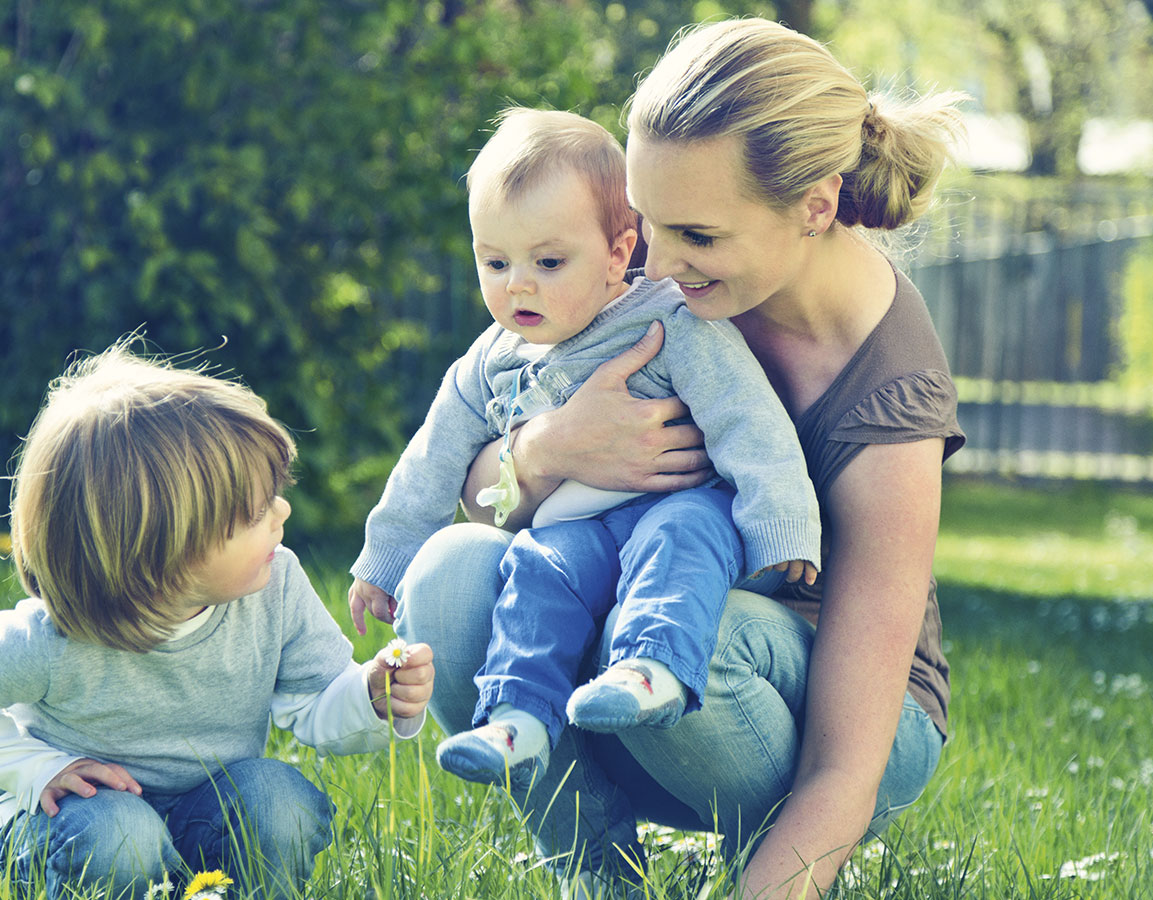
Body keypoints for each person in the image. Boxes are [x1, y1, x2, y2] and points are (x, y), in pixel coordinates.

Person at [367, 18, 968, 900]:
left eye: (693, 234)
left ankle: (756, 851)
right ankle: (595, 870)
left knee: (685, 623)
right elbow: (475, 467)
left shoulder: (889, 400)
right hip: (628, 662)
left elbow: (848, 758)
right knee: (450, 574)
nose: (650, 259)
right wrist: (546, 449)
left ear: (815, 206)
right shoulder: (672, 288)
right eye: (643, 222)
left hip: (821, 725)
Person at [348, 108, 820, 796]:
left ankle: (649, 668)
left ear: (617, 252)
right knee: (536, 573)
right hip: (576, 534)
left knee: (682, 534)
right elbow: (431, 462)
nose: (518, 284)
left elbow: (746, 418)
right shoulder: (488, 363)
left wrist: (782, 526)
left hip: (677, 508)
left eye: (547, 261)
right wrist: (384, 562)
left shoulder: (666, 320)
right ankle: (517, 719)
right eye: (495, 261)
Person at [0, 341, 435, 900]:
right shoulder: (53, 638)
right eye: (256, 512)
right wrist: (33, 769)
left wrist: (371, 697)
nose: (283, 512)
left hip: (199, 813)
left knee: (278, 802)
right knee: (119, 837)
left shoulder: (274, 587)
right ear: (165, 556)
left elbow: (314, 700)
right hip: (77, 824)